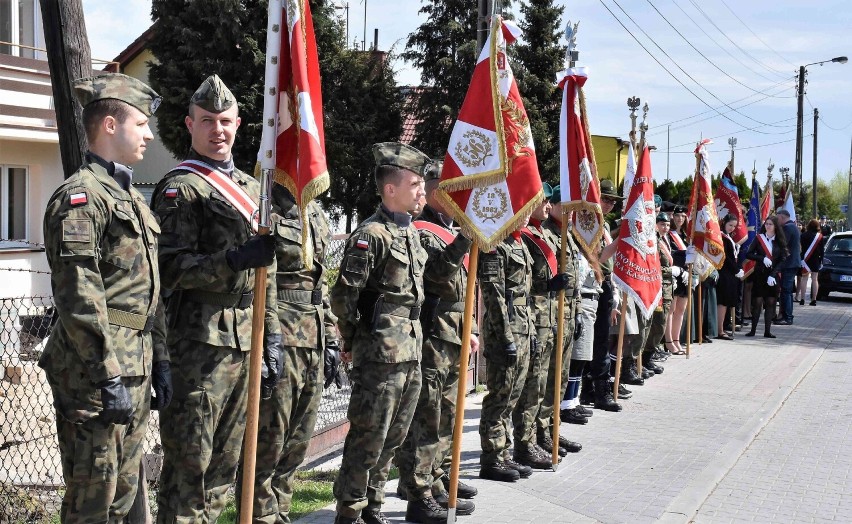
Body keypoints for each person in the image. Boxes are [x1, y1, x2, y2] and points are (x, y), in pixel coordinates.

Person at [40, 73, 170, 522]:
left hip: (136, 363)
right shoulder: (82, 198)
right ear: (110, 125)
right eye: (141, 123)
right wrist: (106, 374)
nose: (150, 134)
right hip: (95, 373)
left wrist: (163, 360)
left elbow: (148, 291)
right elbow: (80, 296)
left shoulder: (131, 197)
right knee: (91, 504)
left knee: (122, 497)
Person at [152, 75, 281, 523]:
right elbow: (170, 268)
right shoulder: (181, 188)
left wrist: (273, 340)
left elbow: (270, 274)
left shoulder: (251, 188)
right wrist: (231, 260)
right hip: (199, 346)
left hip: (246, 341)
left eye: (225, 121)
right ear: (190, 125)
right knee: (190, 470)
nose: (217, 130)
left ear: (239, 124)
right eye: (207, 121)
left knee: (224, 471)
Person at [331, 142, 428, 524]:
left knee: (394, 437)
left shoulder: (411, 233)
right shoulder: (371, 235)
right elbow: (343, 297)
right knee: (368, 438)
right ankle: (350, 510)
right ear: (391, 188)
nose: (423, 191)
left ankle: (373, 505)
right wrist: (356, 340)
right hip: (381, 355)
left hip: (411, 352)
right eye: (416, 183)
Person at [237, 181, 339, 523]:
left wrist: (332, 337)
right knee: (270, 440)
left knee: (298, 440)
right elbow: (261, 281)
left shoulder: (316, 214)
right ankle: (259, 517)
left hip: (313, 338)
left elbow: (319, 282)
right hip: (281, 334)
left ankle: (280, 512)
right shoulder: (264, 211)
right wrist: (269, 340)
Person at [396, 160, 479, 523]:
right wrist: (463, 241)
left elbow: (466, 289)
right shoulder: (424, 230)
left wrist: (470, 328)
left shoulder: (448, 226)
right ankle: (418, 492)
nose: (459, 199)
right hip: (433, 333)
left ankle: (437, 481)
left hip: (454, 332)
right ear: (434, 192)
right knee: (428, 417)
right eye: (451, 191)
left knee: (447, 415)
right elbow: (438, 277)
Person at [516, 184, 573, 468]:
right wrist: (547, 285)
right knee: (535, 385)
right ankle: (526, 441)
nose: (548, 206)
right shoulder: (527, 236)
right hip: (536, 318)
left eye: (549, 201)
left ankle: (547, 432)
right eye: (543, 201)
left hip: (552, 316)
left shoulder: (543, 234)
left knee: (555, 380)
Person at [478, 218, 536, 483]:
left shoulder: (519, 241)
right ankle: (491, 458)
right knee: (500, 395)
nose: (528, 213)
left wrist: (531, 331)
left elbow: (526, 292)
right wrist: (505, 336)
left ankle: (503, 453)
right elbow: (494, 294)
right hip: (505, 330)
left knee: (513, 395)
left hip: (523, 327)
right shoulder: (496, 244)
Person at [535, 186, 585, 452]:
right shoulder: (544, 234)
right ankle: (539, 435)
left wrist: (575, 314)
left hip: (566, 315)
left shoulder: (568, 235)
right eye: (561, 206)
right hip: (547, 316)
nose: (568, 212)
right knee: (544, 381)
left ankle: (552, 430)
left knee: (560, 377)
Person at [745, 216, 788, 338]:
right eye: (766, 224)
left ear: (775, 226)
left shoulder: (779, 240)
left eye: (770, 224)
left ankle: (767, 331)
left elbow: (783, 259)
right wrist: (761, 258)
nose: (767, 226)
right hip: (759, 275)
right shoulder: (759, 239)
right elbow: (749, 254)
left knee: (771, 302)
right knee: (757, 302)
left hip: (773, 277)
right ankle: (753, 330)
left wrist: (773, 275)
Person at [716, 214, 744, 339]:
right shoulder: (722, 237)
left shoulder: (728, 237)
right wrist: (736, 269)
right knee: (722, 302)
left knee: (727, 302)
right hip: (725, 273)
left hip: (730, 273)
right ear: (724, 223)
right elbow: (726, 257)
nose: (732, 228)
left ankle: (724, 326)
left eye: (734, 226)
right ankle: (719, 330)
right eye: (730, 225)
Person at [776, 209, 800, 325]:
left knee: (786, 291)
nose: (777, 220)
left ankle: (788, 317)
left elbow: (782, 244)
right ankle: (785, 315)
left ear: (782, 217)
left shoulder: (787, 228)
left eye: (778, 218)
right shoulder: (793, 226)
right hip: (792, 263)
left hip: (789, 264)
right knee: (787, 290)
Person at [797, 219, 824, 306]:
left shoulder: (803, 235)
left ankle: (802, 299)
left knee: (804, 279)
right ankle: (814, 300)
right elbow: (822, 251)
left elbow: (800, 248)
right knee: (815, 279)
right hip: (816, 259)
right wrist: (821, 261)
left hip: (805, 259)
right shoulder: (820, 236)